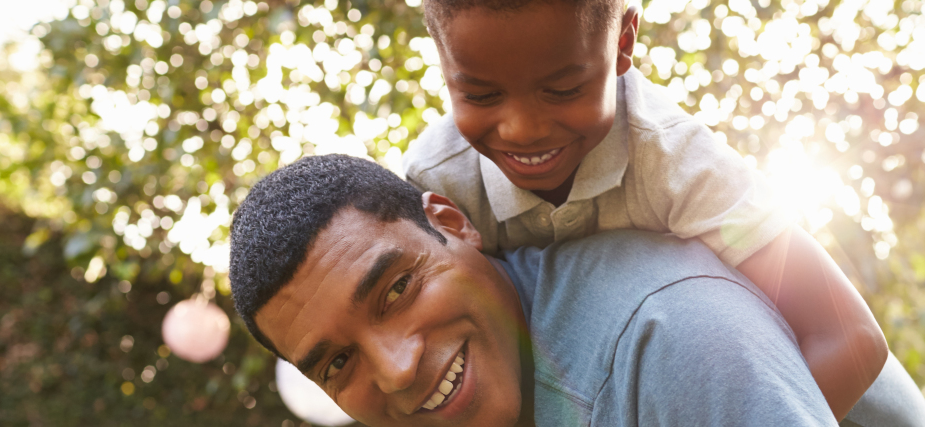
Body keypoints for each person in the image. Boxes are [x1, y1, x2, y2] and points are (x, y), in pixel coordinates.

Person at [403, 0, 888, 420]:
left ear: (622, 43)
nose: (522, 130)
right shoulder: (440, 183)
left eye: (563, 89)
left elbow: (850, 340)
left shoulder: (680, 165)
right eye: (481, 95)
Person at [228, 155, 836, 426]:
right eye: (338, 362)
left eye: (396, 290)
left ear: (452, 223)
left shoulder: (669, 338)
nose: (396, 371)